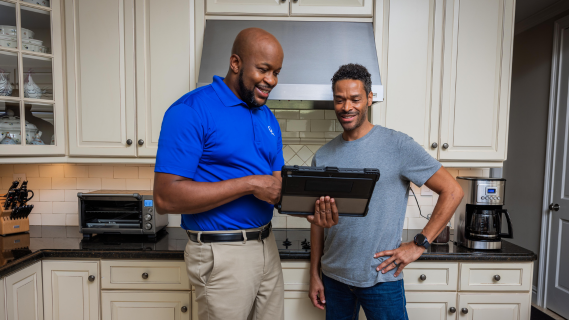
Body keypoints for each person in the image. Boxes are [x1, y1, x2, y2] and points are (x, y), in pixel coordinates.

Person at [307, 63, 464, 320]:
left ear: (369, 98)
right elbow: (317, 222)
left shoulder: (397, 145)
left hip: (382, 278)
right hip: (333, 279)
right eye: (340, 100)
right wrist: (315, 273)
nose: (347, 107)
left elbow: (453, 190)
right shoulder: (323, 155)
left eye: (355, 99)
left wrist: (418, 244)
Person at [153, 28, 285, 320]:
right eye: (263, 70)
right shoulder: (191, 110)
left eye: (276, 72)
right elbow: (165, 198)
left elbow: (276, 186)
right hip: (222, 252)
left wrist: (309, 206)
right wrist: (249, 184)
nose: (271, 81)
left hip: (267, 247)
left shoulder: (267, 117)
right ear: (235, 63)